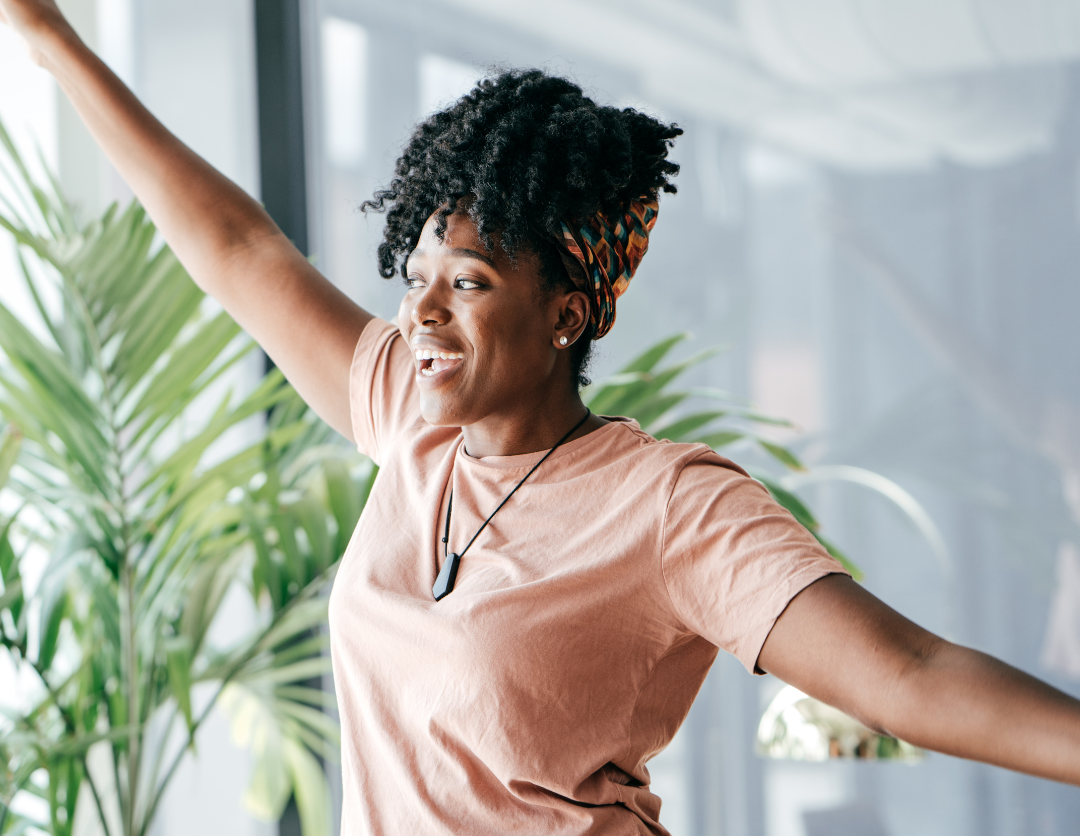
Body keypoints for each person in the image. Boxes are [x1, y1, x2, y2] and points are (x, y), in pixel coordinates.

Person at [2, 2, 1079, 834]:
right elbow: (242, 249)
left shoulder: (667, 506)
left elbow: (910, 674)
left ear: (565, 313)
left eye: (464, 281)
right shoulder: (409, 417)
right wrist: (50, 37)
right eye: (415, 274)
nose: (419, 309)